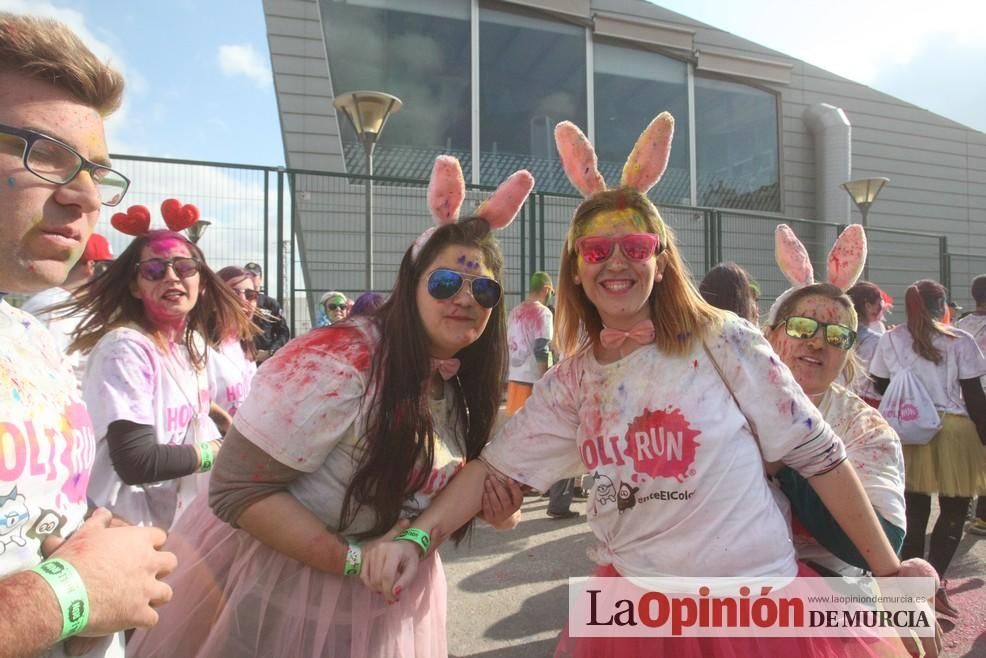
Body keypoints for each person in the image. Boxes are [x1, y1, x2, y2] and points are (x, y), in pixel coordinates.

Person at [366, 113, 922, 656]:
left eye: (633, 247)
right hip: (635, 615)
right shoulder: (573, 381)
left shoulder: (723, 340)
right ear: (576, 268)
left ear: (660, 258)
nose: (615, 263)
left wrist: (893, 577)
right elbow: (492, 470)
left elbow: (821, 457)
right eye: (595, 250)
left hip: (758, 607)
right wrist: (416, 539)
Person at [129, 156, 532, 658]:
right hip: (289, 599)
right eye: (446, 283)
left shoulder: (456, 382)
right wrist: (355, 561)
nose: (466, 299)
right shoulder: (342, 359)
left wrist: (494, 510)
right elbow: (234, 489)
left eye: (485, 289)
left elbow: (459, 479)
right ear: (410, 287)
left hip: (386, 608)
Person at [0, 12, 175, 657]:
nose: (83, 196)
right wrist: (66, 594)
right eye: (42, 152)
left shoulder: (28, 336)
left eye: (96, 172)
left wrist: (93, 546)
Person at [64, 225, 254, 530]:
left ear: (201, 282)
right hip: (121, 523)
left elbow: (191, 408)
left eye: (184, 267)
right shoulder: (126, 349)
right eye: (153, 270)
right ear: (135, 287)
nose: (171, 277)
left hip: (171, 518)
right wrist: (222, 450)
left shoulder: (187, 347)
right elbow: (136, 461)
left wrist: (222, 422)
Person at [763, 227, 905, 577]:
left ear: (848, 353)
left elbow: (885, 541)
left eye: (836, 336)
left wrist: (786, 466)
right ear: (770, 334)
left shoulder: (864, 428)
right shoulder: (725, 402)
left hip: (828, 600)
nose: (815, 343)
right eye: (800, 327)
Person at [870, 279, 986, 615]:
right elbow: (975, 397)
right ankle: (935, 582)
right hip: (955, 430)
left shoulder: (891, 339)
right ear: (942, 304)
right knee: (953, 511)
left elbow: (879, 382)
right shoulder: (959, 340)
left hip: (909, 429)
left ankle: (912, 589)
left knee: (913, 511)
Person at [506, 272, 576, 518]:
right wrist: (548, 378)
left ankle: (522, 486)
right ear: (546, 289)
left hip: (514, 379)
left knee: (521, 436)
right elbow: (541, 348)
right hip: (534, 381)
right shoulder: (543, 313)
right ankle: (540, 486)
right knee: (545, 436)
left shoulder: (514, 311)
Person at [21, 232, 113, 386]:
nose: (111, 275)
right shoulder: (54, 311)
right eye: (108, 267)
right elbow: (52, 376)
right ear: (91, 266)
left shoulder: (68, 305)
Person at [954, 274, 986, 536]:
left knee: (965, 457)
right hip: (982, 396)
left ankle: (960, 507)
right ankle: (983, 517)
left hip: (961, 399)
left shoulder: (961, 324)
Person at [209, 266, 260, 421]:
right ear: (214, 299)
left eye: (250, 295)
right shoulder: (201, 348)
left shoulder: (244, 344)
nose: (243, 300)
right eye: (233, 293)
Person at [847, 281, 889, 407]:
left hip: (842, 398)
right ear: (868, 306)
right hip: (870, 403)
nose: (882, 309)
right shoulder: (877, 341)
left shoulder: (838, 335)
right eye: (879, 304)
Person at [244, 262, 290, 362]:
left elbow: (283, 332)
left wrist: (271, 352)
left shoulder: (270, 304)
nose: (250, 278)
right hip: (241, 359)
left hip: (265, 360)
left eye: (254, 275)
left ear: (260, 280)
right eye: (246, 275)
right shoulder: (238, 302)